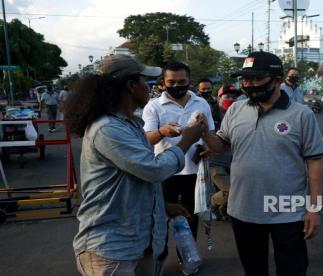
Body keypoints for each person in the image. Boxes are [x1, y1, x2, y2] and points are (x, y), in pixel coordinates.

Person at [69, 54, 205, 276]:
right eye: (145, 81)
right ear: (131, 86)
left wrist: (161, 206)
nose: (149, 87)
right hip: (112, 249)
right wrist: (186, 140)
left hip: (143, 243)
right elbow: (154, 169)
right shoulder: (107, 128)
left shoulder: (129, 124)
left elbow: (136, 177)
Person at [201, 51, 323, 276]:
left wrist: (314, 208)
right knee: (254, 270)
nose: (248, 85)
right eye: (245, 80)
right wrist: (204, 134)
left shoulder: (301, 114)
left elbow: (315, 162)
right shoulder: (236, 109)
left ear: (277, 79)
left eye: (256, 78)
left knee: (292, 270)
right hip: (243, 208)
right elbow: (221, 145)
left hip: (287, 210)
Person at [142, 62, 215, 267]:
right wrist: (162, 132)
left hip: (195, 171)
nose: (177, 85)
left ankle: (188, 258)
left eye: (182, 81)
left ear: (189, 81)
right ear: (163, 84)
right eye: (171, 82)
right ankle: (159, 260)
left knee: (191, 217)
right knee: (160, 220)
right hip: (165, 171)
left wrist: (209, 146)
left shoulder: (201, 103)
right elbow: (147, 139)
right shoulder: (153, 106)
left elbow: (210, 133)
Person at [208, 84, 241, 220]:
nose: (231, 99)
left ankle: (223, 211)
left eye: (234, 97)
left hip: (234, 162)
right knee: (230, 191)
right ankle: (209, 204)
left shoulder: (240, 114)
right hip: (215, 162)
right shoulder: (209, 115)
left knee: (238, 191)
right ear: (219, 97)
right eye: (227, 96)